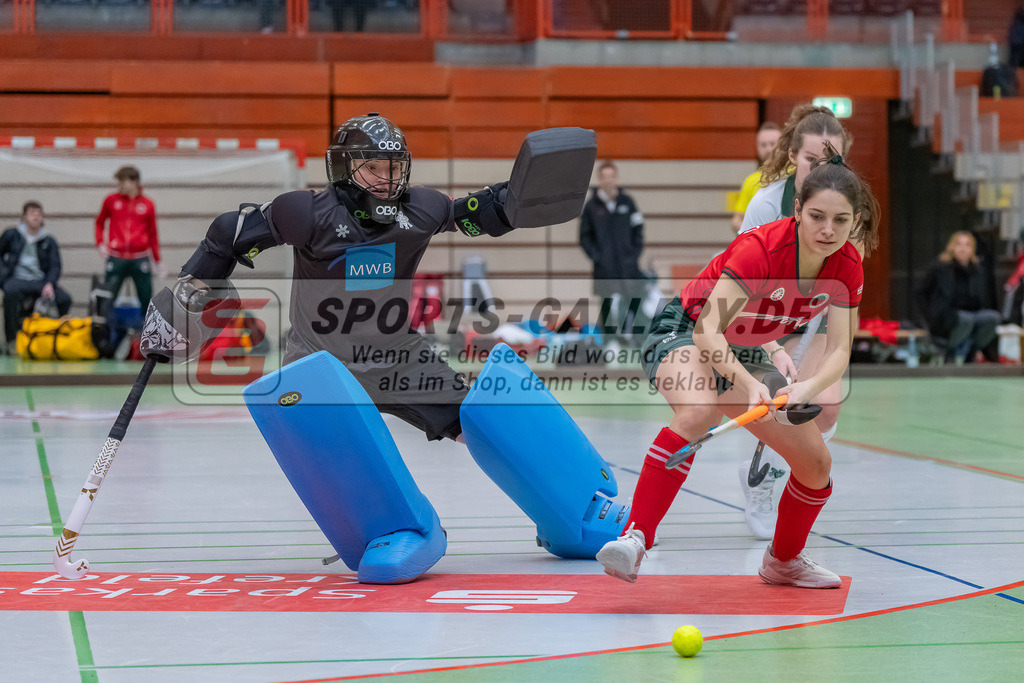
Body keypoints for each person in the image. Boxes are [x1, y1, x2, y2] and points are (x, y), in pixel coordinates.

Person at [138, 114, 627, 584]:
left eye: (394, 169)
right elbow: (231, 231)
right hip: (318, 363)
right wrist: (190, 289)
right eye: (373, 168)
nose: (386, 180)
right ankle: (395, 529)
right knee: (337, 438)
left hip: (397, 355)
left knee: (483, 416)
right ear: (344, 169)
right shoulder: (305, 213)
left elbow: (479, 213)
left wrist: (517, 199)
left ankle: (579, 505)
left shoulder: (422, 209)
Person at [597, 147, 879, 588]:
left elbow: (841, 349)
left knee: (816, 465)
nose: (828, 230)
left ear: (854, 220)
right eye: (817, 216)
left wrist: (805, 390)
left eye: (840, 221)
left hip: (746, 346)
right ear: (799, 210)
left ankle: (783, 561)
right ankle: (635, 538)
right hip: (686, 330)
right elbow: (709, 330)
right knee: (699, 410)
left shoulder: (847, 266)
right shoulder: (760, 250)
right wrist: (749, 384)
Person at [734, 103, 855, 541]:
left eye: (831, 160)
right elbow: (743, 283)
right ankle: (762, 477)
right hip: (766, 313)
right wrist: (772, 342)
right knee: (782, 406)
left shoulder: (845, 201)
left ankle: (777, 468)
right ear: (792, 158)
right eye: (812, 159)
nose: (821, 167)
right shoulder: (767, 204)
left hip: (819, 309)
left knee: (826, 407)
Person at [579, 159, 646, 348]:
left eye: (611, 176)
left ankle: (638, 341)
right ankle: (609, 342)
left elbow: (638, 230)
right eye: (604, 177)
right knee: (607, 306)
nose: (608, 181)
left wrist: (633, 255)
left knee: (634, 303)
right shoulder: (591, 207)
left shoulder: (628, 203)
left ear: (616, 178)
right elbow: (584, 238)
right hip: (605, 269)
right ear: (599, 179)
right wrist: (598, 258)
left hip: (628, 268)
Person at [916, 231, 1000, 364]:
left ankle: (972, 351)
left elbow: (984, 299)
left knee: (992, 318)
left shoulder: (978, 271)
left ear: (972, 249)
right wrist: (929, 317)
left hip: (972, 314)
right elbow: (920, 293)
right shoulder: (939, 268)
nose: (963, 248)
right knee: (966, 320)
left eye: (967, 245)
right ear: (952, 247)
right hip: (946, 316)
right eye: (959, 244)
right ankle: (948, 350)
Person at [0, 201, 72, 349]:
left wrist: (50, 283)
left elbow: (55, 266)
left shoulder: (48, 240)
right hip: (16, 279)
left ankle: (58, 338)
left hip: (40, 281)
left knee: (64, 299)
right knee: (10, 293)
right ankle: (12, 340)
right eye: (32, 214)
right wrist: (4, 278)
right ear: (24, 217)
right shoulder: (12, 235)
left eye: (39, 214)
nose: (36, 217)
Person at [95, 165, 164, 316]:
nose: (118, 185)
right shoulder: (111, 201)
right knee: (107, 299)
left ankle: (146, 335)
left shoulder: (148, 204)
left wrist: (157, 260)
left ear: (134, 182)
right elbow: (99, 223)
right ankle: (106, 335)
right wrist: (100, 243)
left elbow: (153, 234)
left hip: (140, 259)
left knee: (146, 299)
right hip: (116, 258)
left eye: (122, 181)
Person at [730, 122, 780, 235]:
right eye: (763, 145)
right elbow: (737, 219)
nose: (768, 149)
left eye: (773, 144)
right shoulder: (750, 181)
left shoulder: (794, 176)